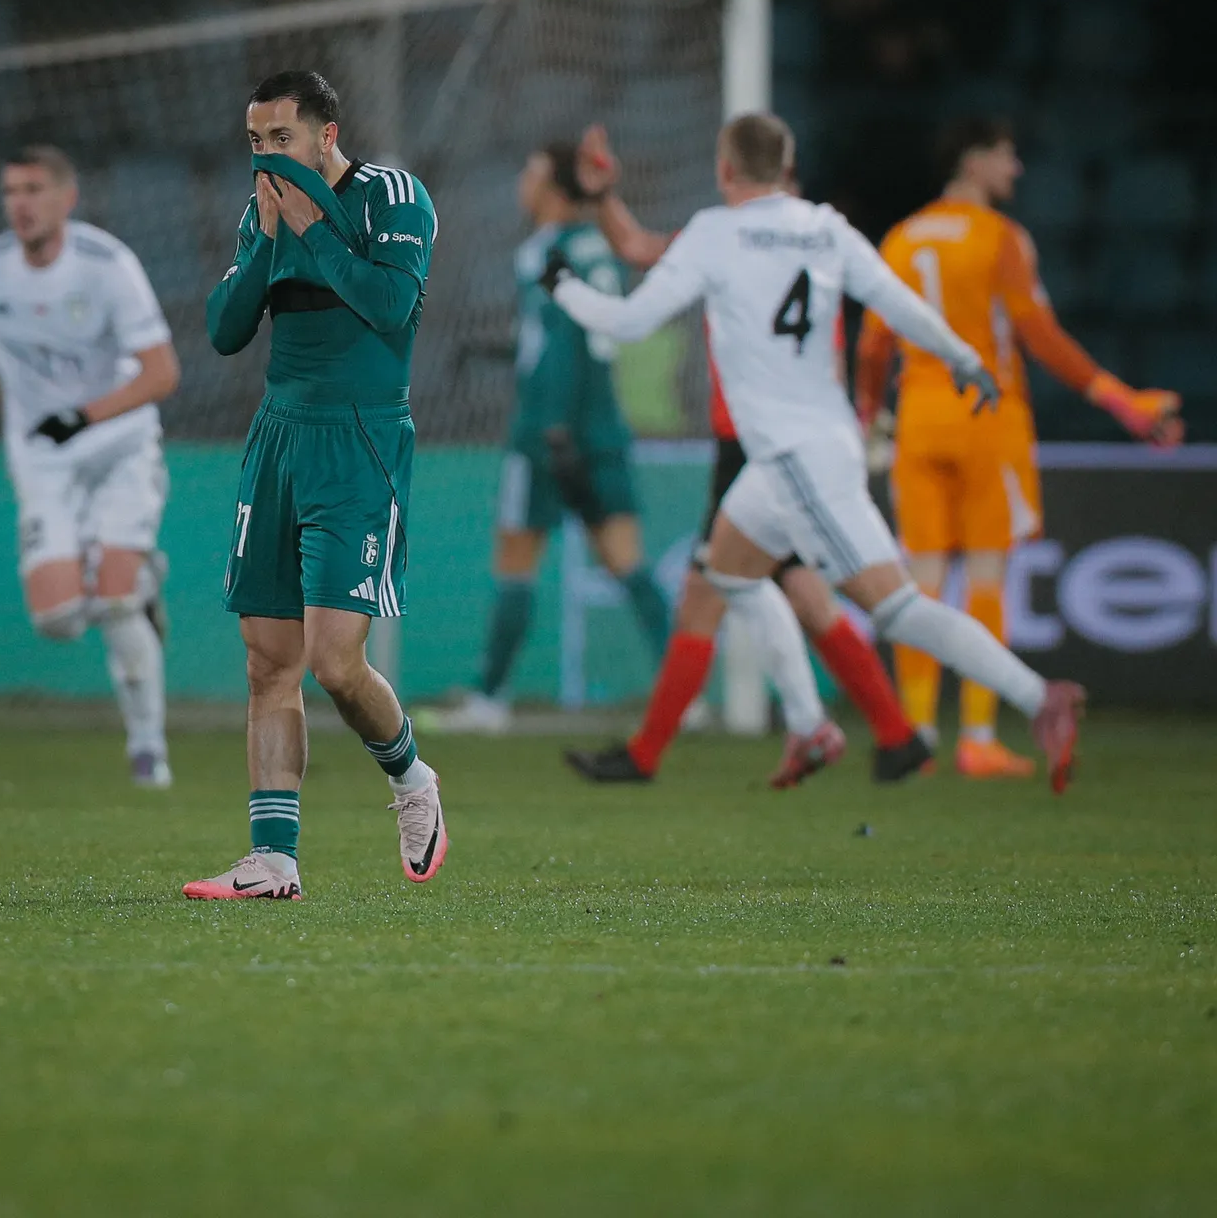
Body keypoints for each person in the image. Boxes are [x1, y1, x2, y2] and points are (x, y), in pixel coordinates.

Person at [546, 111, 1085, 795]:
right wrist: (965, 360)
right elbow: (898, 303)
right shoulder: (825, 227)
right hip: (800, 451)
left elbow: (628, 321)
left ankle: (1042, 699)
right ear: (788, 165)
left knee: (895, 608)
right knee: (729, 574)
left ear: (724, 170)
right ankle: (810, 724)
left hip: (794, 456)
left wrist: (562, 285)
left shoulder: (715, 233)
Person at [562, 126, 929, 788]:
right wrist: (606, 196)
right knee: (806, 596)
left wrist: (603, 201)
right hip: (788, 446)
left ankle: (647, 755)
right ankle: (890, 735)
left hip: (759, 448)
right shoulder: (799, 242)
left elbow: (640, 251)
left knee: (711, 596)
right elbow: (641, 246)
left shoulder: (740, 240)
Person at [185, 70, 446, 901]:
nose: (267, 155)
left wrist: (311, 231)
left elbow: (390, 303)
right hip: (279, 439)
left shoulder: (394, 197)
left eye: (282, 138)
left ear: (325, 137)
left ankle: (411, 780)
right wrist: (267, 243)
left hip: (360, 439)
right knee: (269, 662)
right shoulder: (259, 211)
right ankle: (273, 861)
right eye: (257, 141)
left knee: (335, 662)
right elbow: (226, 331)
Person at [855, 117, 1181, 777]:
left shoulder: (900, 237)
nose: (1016, 170)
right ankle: (977, 734)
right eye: (1006, 156)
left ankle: (916, 737)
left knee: (917, 583)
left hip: (918, 419)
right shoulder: (1001, 238)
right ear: (973, 161)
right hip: (986, 417)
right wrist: (1124, 400)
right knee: (984, 577)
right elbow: (1040, 336)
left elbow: (871, 345)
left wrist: (868, 413)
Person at [422, 142, 671, 736]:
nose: (522, 182)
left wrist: (553, 428)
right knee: (626, 561)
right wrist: (500, 350)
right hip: (603, 425)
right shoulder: (595, 247)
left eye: (531, 172)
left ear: (556, 189)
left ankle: (489, 700)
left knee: (516, 560)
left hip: (548, 431)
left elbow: (562, 340)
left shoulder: (548, 251)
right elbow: (565, 336)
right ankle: (681, 694)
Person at [0, 146, 180, 788]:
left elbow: (162, 373)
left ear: (65, 198)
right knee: (56, 620)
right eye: (9, 191)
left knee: (113, 602)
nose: (19, 203)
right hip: (43, 455)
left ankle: (147, 752)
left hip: (120, 445)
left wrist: (83, 416)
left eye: (33, 189)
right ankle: (134, 579)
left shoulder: (108, 266)